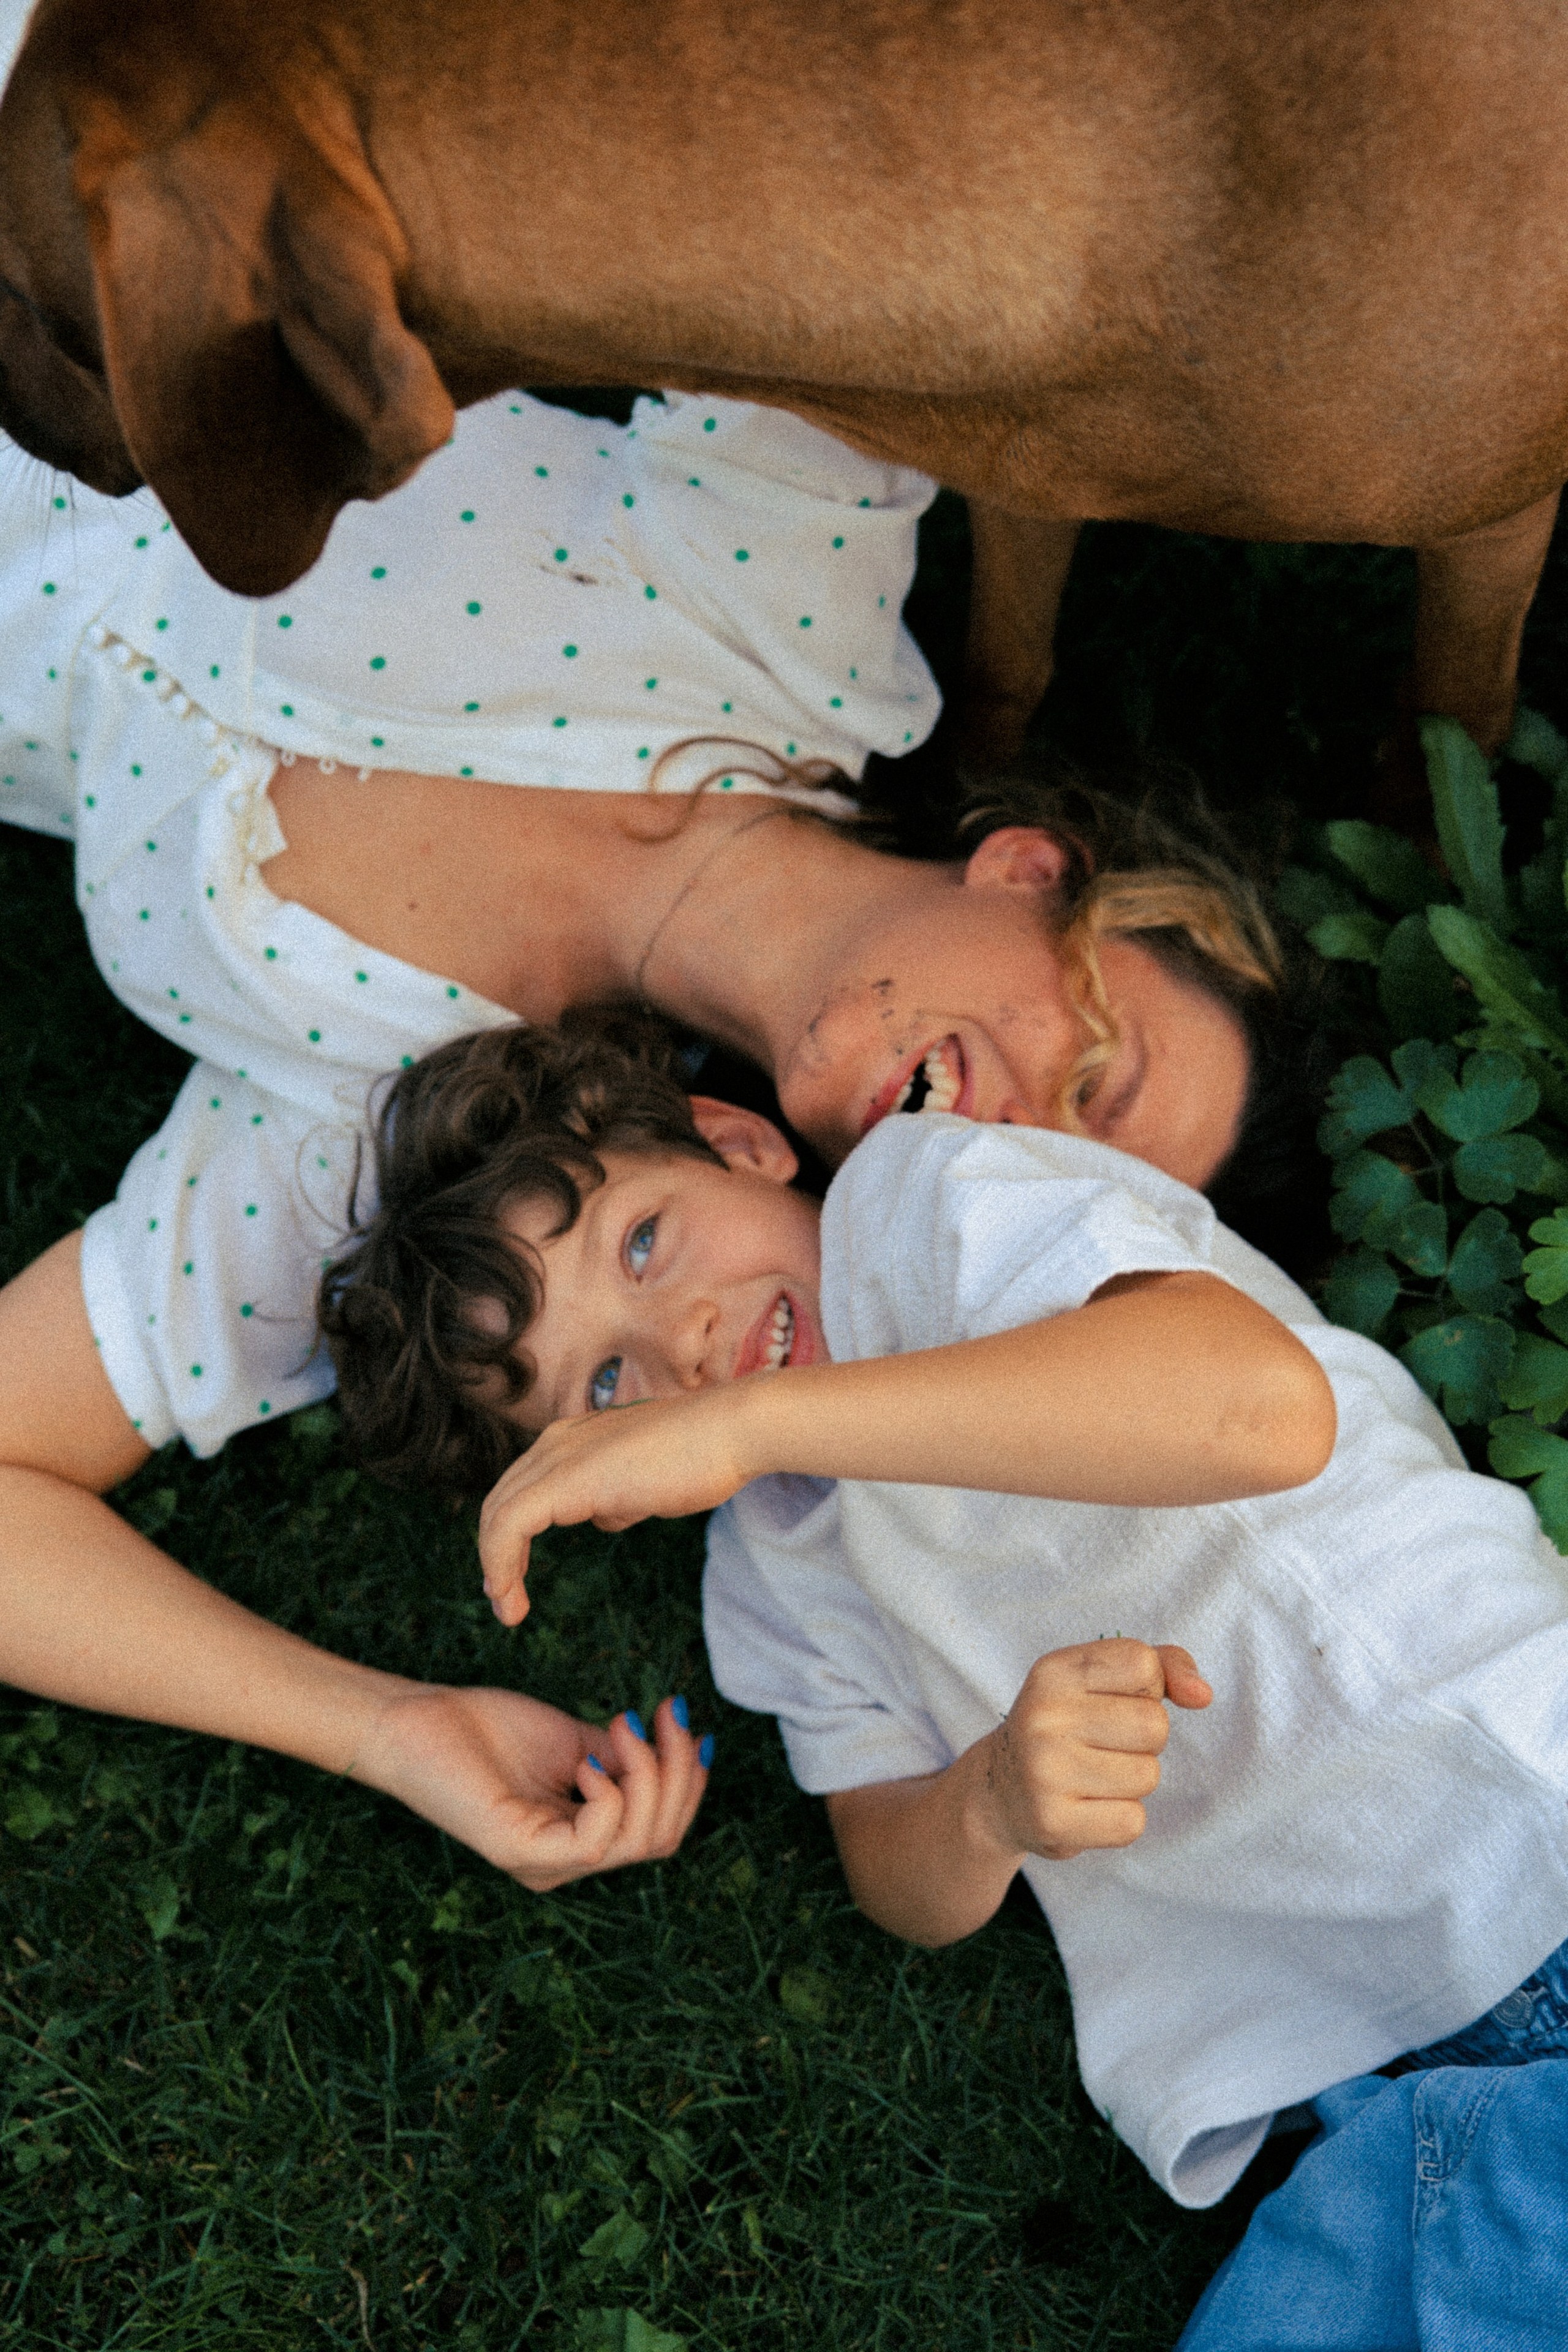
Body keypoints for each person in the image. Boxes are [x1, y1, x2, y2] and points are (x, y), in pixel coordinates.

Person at [0, 382, 1319, 1883]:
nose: (1008, 1134)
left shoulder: (437, 1156)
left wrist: (385, 1727)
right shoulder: (784, 588)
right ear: (1025, 871)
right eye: (1093, 1071)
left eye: (1055, 1182)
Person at [363, 1020, 1568, 2346]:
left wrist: (744, 1422)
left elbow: (1256, 1409)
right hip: (1366, 2095)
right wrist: (989, 1798)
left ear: (740, 1145)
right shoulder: (769, 1571)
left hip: (1520, 1831)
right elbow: (893, 1869)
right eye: (605, 1385)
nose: (684, 1344)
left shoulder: (927, 1206)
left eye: (645, 1244)